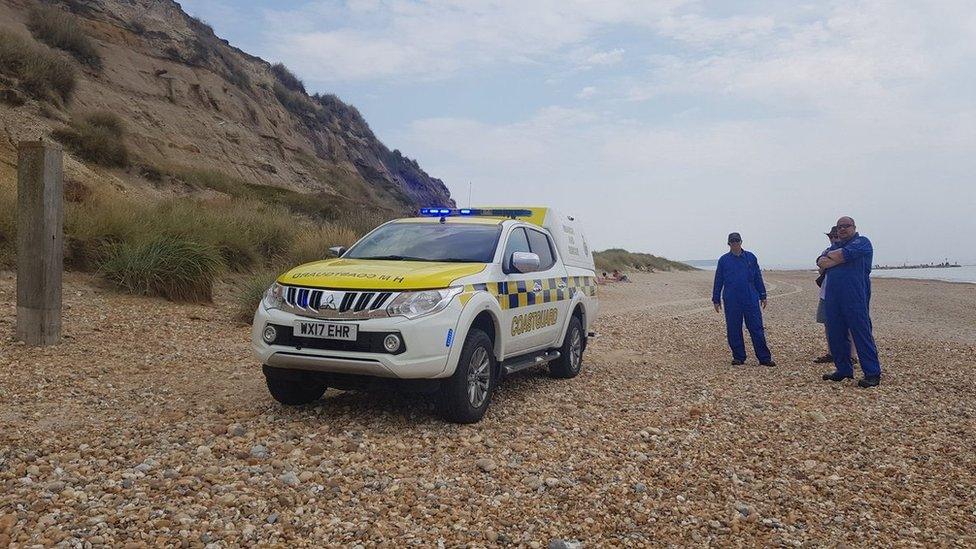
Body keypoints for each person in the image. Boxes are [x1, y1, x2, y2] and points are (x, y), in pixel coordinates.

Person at [817, 216, 882, 387]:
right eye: (839, 227)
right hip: (833, 298)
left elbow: (833, 258)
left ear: (854, 227)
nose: (843, 229)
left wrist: (832, 258)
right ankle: (843, 370)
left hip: (855, 298)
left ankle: (872, 373)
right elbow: (820, 262)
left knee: (861, 334)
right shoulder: (835, 246)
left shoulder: (862, 243)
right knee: (836, 335)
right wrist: (834, 257)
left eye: (846, 226)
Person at [712, 232, 775, 366]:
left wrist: (763, 295)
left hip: (750, 297)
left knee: (756, 328)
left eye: (737, 241)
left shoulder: (751, 258)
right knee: (733, 328)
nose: (735, 243)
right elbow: (718, 279)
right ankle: (739, 356)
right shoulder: (723, 260)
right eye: (732, 241)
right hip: (732, 299)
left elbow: (757, 276)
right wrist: (716, 299)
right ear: (729, 243)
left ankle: (764, 358)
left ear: (741, 242)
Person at [814, 227, 857, 364]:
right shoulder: (826, 252)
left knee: (849, 325)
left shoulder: (849, 250)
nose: (833, 239)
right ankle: (832, 352)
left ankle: (851, 355)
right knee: (828, 324)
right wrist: (834, 261)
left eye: (835, 236)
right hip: (826, 293)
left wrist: (830, 261)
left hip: (846, 294)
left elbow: (828, 263)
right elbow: (821, 267)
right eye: (831, 237)